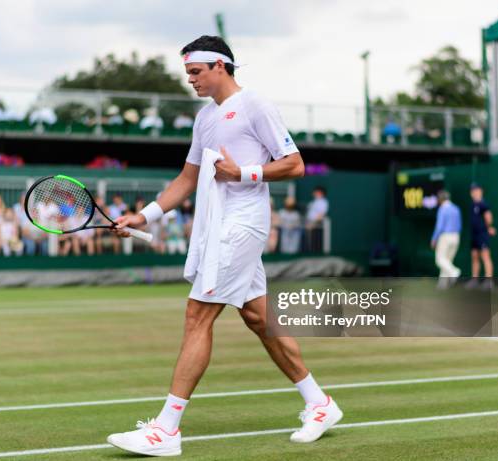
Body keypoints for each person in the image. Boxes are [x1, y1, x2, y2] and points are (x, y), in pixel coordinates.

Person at [106, 35, 342, 457]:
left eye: (195, 72)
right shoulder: (204, 120)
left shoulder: (255, 105)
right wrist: (145, 216)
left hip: (242, 226)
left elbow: (295, 164)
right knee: (257, 317)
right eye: (188, 74)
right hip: (218, 226)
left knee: (198, 315)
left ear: (220, 65)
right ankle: (320, 404)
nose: (191, 80)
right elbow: (186, 179)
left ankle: (167, 430)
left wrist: (243, 173)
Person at [465, 184, 496, 290]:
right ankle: (475, 280)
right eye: (473, 191)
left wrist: (489, 227)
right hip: (474, 235)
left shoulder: (483, 204)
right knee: (474, 256)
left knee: (485, 256)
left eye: (476, 190)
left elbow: (488, 217)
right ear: (471, 193)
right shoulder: (472, 205)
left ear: (481, 191)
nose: (475, 192)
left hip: (482, 235)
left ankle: (489, 281)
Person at [431, 190, 462, 289]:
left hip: (445, 237)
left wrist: (434, 239)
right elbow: (459, 225)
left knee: (440, 260)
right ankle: (442, 284)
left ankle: (454, 272)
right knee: (447, 261)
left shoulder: (442, 209)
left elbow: (439, 227)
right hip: (456, 237)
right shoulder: (456, 209)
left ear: (440, 199)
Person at [305, 186, 328, 252]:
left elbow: (320, 216)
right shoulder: (314, 202)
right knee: (309, 246)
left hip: (316, 227)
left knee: (315, 247)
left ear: (320, 192)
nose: (314, 193)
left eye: (316, 191)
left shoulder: (323, 202)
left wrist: (312, 225)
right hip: (309, 225)